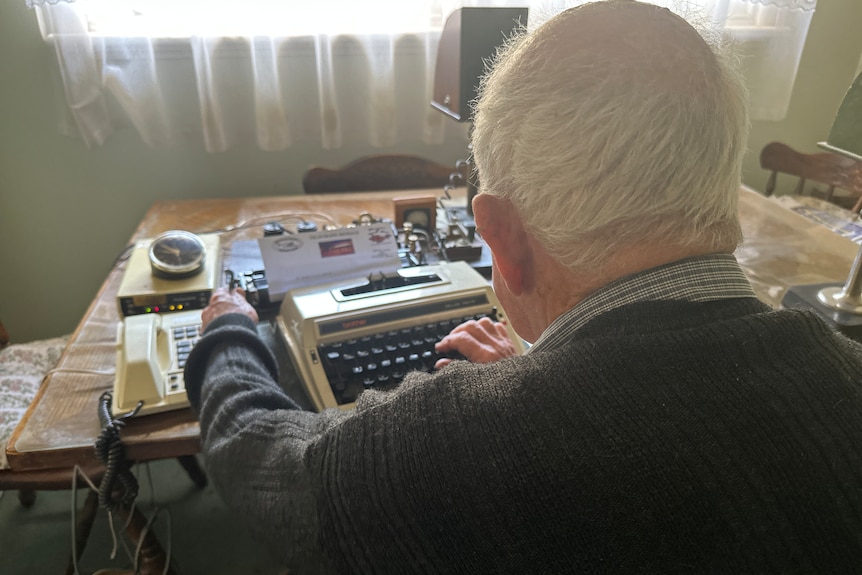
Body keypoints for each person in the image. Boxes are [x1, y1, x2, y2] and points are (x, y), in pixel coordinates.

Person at [184, 1, 862, 572]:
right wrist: (543, 374)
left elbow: (258, 466)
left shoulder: (458, 444)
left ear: (500, 235)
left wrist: (229, 329)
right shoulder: (847, 369)